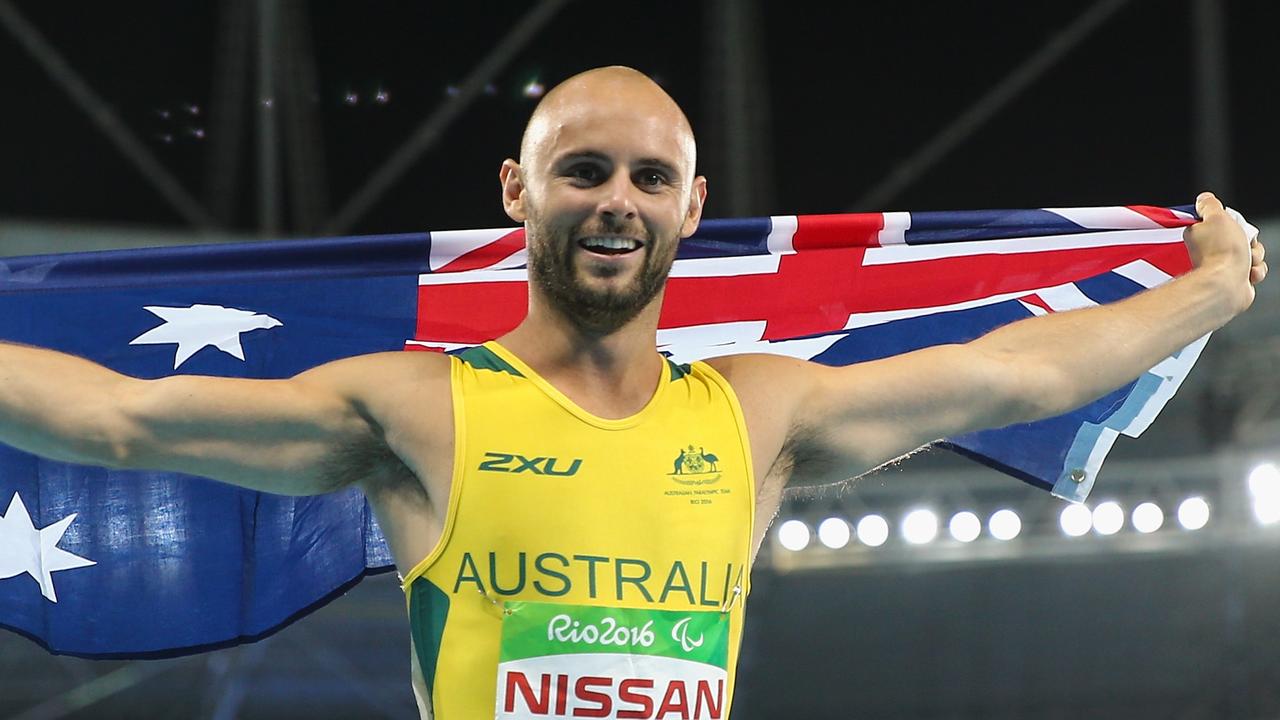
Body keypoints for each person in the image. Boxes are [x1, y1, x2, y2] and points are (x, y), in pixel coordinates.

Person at [0, 66, 1266, 718]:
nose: (616, 200)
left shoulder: (758, 414)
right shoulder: (421, 408)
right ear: (518, 190)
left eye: (650, 179)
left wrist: (1208, 292)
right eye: (585, 170)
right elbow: (120, 416)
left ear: (690, 207)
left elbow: (1015, 372)